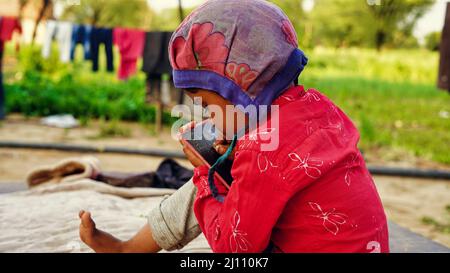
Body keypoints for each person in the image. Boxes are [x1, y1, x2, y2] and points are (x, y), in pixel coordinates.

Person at [79, 0, 389, 253]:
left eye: (205, 103)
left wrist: (204, 174)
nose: (204, 115)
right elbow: (286, 165)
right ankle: (129, 250)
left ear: (241, 89)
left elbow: (234, 250)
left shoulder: (263, 148)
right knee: (220, 178)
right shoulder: (318, 107)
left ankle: (128, 251)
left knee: (210, 183)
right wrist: (237, 154)